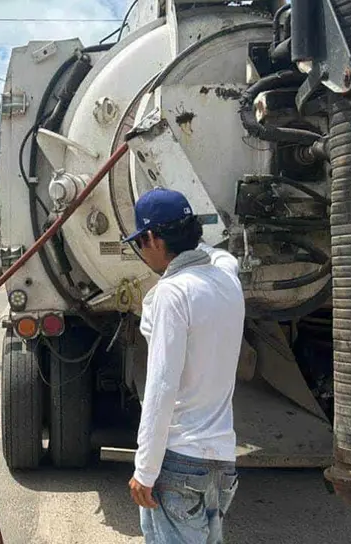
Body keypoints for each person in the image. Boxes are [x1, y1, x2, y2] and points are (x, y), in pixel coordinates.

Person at [122, 188, 246, 544]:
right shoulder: (227, 281)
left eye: (139, 243)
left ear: (151, 238)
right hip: (221, 462)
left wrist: (144, 470)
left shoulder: (172, 294)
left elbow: (161, 387)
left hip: (179, 461)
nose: (141, 252)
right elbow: (223, 258)